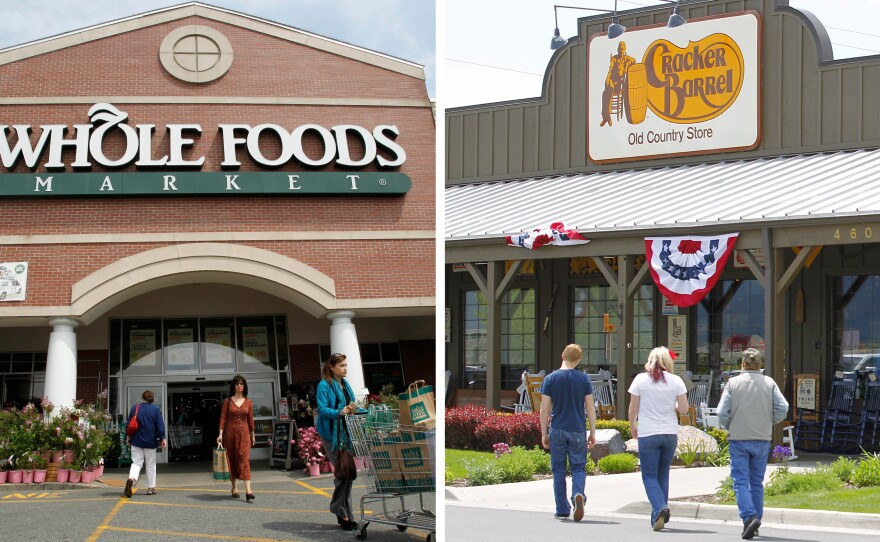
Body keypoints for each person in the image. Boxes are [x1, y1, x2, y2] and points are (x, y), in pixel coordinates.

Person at [717, 348, 789, 540]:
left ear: (742, 364)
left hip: (739, 438)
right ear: (759, 364)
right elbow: (783, 407)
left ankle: (749, 517)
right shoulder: (769, 382)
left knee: (740, 481)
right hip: (762, 437)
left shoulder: (733, 383)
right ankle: (755, 523)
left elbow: (721, 412)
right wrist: (770, 420)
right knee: (756, 482)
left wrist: (727, 424)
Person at [628, 346, 689, 531]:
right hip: (669, 433)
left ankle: (661, 507)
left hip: (648, 433)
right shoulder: (676, 381)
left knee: (649, 475)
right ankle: (658, 516)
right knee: (663, 473)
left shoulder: (640, 379)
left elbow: (633, 408)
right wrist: (675, 402)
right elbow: (684, 409)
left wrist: (632, 426)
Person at [539, 344, 596, 522]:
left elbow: (544, 408)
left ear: (562, 355)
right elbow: (590, 407)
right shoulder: (583, 379)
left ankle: (562, 509)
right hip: (577, 428)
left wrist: (543, 433)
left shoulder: (550, 378)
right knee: (578, 467)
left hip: (557, 428)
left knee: (558, 471)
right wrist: (592, 431)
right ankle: (578, 494)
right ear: (578, 360)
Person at [317, 352, 366, 531]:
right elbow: (322, 409)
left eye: (346, 365)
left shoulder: (345, 385)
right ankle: (340, 510)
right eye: (342, 366)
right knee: (342, 473)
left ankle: (345, 514)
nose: (345, 368)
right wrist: (339, 412)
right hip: (331, 434)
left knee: (348, 474)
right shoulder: (324, 385)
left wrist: (365, 412)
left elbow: (352, 405)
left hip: (346, 433)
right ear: (332, 367)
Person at [217, 374, 256, 502]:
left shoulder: (248, 402)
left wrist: (252, 434)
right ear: (233, 386)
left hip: (244, 434)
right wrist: (220, 434)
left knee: (244, 459)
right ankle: (234, 488)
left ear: (244, 386)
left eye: (241, 384)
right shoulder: (227, 402)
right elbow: (223, 419)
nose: (239, 385)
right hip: (230, 434)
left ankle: (248, 491)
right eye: (237, 383)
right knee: (232, 459)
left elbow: (250, 420)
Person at [124, 390, 167, 498]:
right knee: (150, 465)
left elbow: (129, 424)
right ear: (152, 399)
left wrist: (128, 437)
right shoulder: (156, 409)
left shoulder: (135, 408)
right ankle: (150, 488)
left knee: (136, 463)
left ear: (142, 398)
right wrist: (163, 438)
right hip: (150, 441)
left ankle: (131, 479)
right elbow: (160, 426)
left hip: (136, 441)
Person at [600, 40, 636, 127]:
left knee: (628, 92)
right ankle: (606, 117)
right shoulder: (614, 59)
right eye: (620, 49)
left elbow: (633, 60)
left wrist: (627, 65)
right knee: (606, 93)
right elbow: (610, 70)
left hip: (621, 83)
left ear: (624, 50)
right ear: (618, 49)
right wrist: (607, 79)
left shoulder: (626, 58)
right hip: (613, 80)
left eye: (622, 49)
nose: (621, 51)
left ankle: (629, 116)